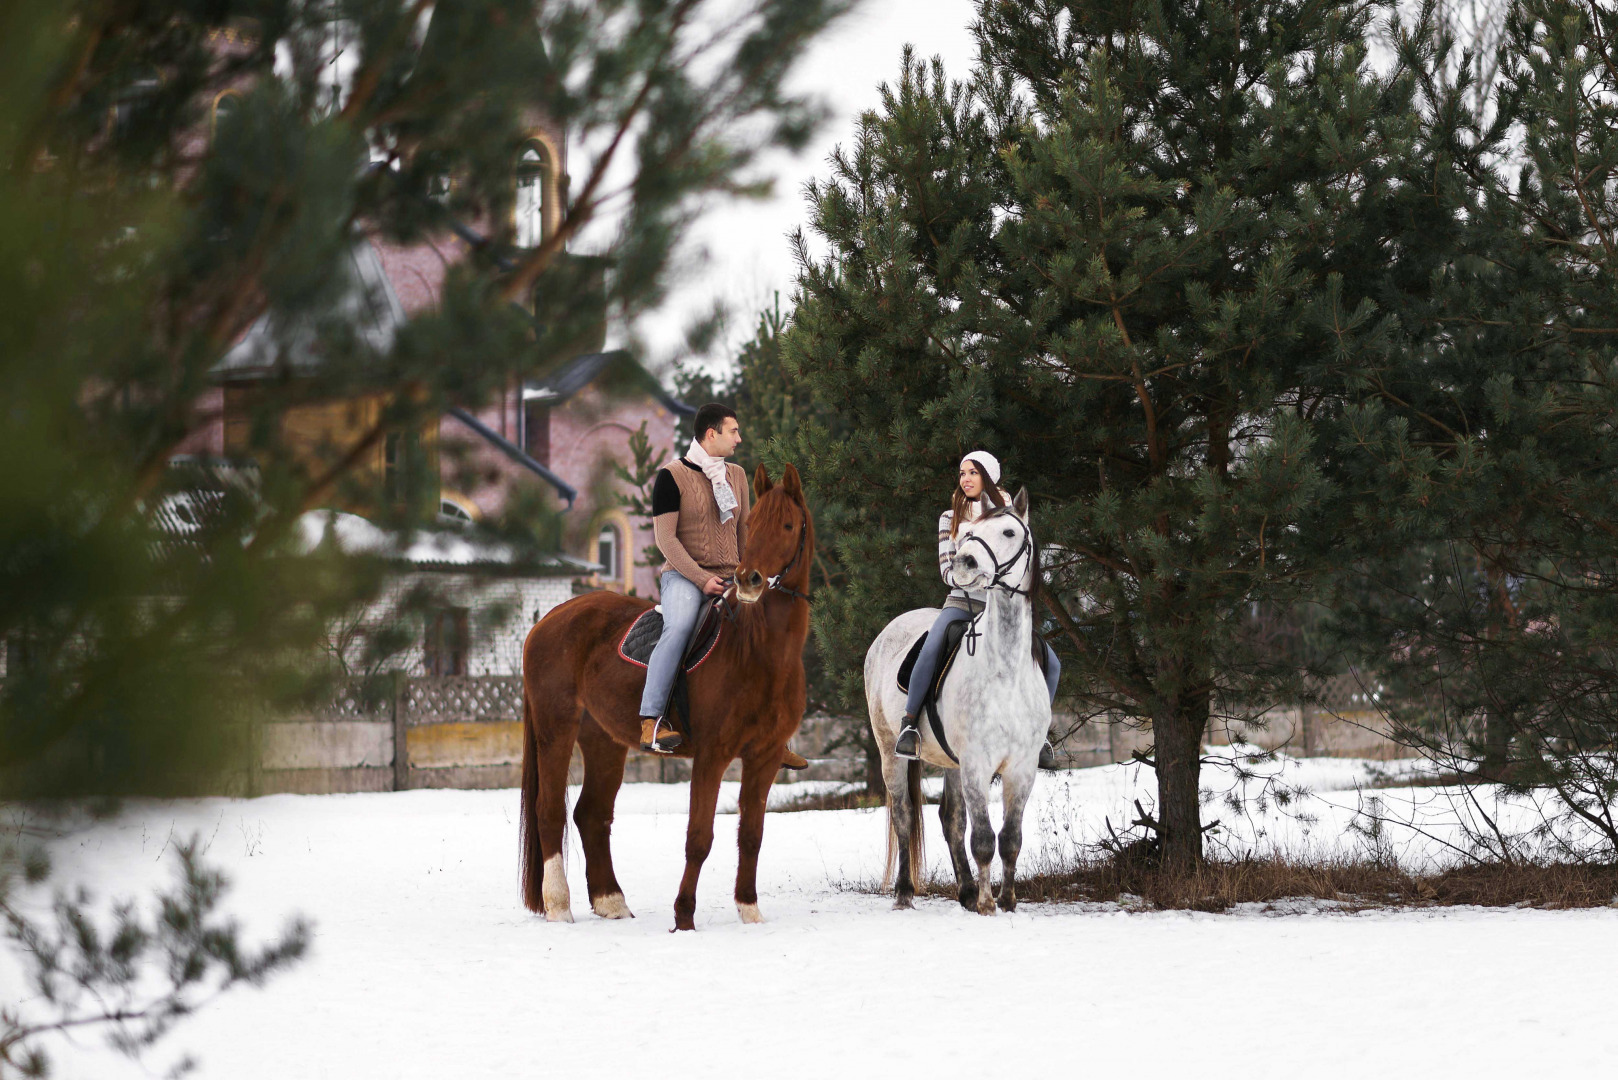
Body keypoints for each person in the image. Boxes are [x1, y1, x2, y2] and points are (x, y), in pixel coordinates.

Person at [639, 403, 808, 770]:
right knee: (681, 626)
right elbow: (665, 540)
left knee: (768, 633)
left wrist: (751, 575)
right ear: (711, 433)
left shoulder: (737, 475)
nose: (739, 438)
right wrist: (701, 578)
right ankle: (652, 720)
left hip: (732, 575)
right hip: (684, 576)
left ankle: (776, 737)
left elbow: (745, 531)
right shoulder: (671, 476)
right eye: (733, 431)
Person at [894, 451, 1062, 767]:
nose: (966, 479)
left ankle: (1037, 735)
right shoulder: (950, 517)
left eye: (973, 472)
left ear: (989, 476)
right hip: (962, 602)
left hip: (1002, 608)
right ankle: (910, 723)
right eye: (962, 473)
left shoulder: (1010, 515)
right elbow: (947, 570)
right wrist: (978, 580)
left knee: (1051, 663)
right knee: (932, 647)